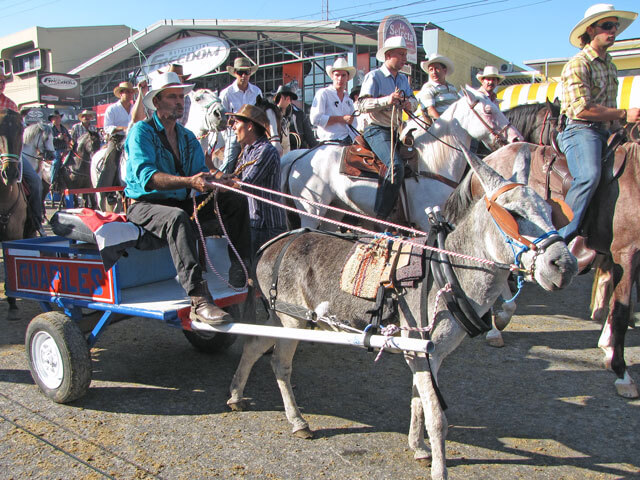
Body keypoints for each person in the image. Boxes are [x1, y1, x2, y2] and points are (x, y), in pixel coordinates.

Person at [124, 71, 251, 326]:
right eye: (172, 96)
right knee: (178, 218)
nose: (179, 102)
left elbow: (202, 171)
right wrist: (190, 182)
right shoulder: (141, 132)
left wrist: (221, 180)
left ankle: (242, 268)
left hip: (180, 203)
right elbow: (148, 177)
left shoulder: (187, 136)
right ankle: (198, 298)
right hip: (146, 205)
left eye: (181, 97)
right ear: (156, 101)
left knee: (235, 201)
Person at [558, 3, 639, 247]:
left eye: (615, 26)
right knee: (589, 176)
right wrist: (624, 113)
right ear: (591, 30)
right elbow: (580, 109)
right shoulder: (578, 63)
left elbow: (608, 108)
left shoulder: (611, 65)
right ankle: (558, 240)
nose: (613, 30)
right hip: (580, 130)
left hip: (607, 131)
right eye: (607, 26)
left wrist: (623, 126)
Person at [358, 36, 418, 220]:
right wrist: (387, 100)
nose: (404, 59)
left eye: (405, 55)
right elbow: (361, 104)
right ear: (388, 55)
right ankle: (381, 215)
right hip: (375, 129)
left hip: (396, 130)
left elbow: (415, 102)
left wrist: (409, 104)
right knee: (396, 166)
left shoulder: (402, 80)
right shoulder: (373, 76)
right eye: (401, 54)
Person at [228, 104, 287, 257]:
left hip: (268, 226)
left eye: (236, 122)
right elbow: (237, 177)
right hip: (255, 223)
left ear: (249, 126)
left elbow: (245, 184)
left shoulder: (266, 151)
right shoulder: (247, 151)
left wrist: (222, 183)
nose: (233, 127)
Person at [0, 74, 43, 232]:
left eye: (2, 81)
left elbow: (18, 130)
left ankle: (35, 222)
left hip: (9, 152)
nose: (1, 84)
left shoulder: (11, 104)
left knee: (35, 182)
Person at [219, 57, 262, 173]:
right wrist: (229, 136)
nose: (244, 76)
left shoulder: (257, 92)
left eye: (246, 72)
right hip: (234, 135)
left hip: (254, 135)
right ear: (235, 73)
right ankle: (220, 185)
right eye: (240, 72)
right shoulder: (226, 94)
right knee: (228, 163)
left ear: (250, 73)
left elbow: (260, 115)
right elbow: (221, 120)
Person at [310, 57, 357, 144]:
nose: (340, 79)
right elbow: (315, 119)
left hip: (347, 140)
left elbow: (354, 124)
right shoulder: (323, 93)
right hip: (328, 141)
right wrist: (341, 119)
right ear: (332, 76)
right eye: (337, 75)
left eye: (343, 75)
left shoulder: (349, 100)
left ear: (347, 78)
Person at [274, 85, 318, 149]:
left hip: (298, 152)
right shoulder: (271, 115)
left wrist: (317, 149)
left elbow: (310, 137)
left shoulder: (299, 114)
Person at [417, 53, 458, 121]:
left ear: (444, 70)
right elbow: (430, 110)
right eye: (431, 70)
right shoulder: (428, 87)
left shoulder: (452, 87)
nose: (434, 72)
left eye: (437, 69)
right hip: (438, 126)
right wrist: (444, 125)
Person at [49, 110, 71, 186]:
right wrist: (58, 138)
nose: (58, 119)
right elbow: (48, 140)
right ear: (52, 119)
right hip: (55, 149)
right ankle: (52, 181)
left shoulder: (63, 128)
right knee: (56, 162)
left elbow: (69, 137)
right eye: (56, 118)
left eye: (58, 118)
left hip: (65, 149)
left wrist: (67, 139)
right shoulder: (50, 129)